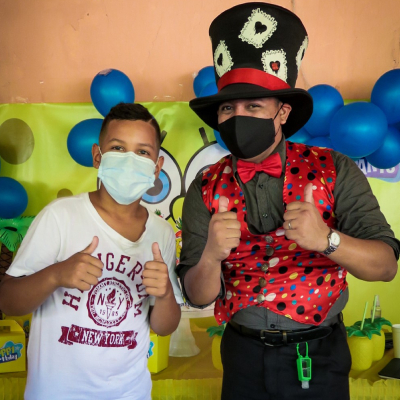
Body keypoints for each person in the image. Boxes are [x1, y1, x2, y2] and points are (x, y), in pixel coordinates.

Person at [176, 3, 399, 400]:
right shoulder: (205, 186)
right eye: (228, 107)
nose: (237, 116)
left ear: (283, 112)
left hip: (319, 355)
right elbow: (198, 295)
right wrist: (210, 255)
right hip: (242, 356)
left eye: (254, 106)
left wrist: (327, 239)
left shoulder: (334, 169)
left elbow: (384, 267)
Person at [0, 103, 183, 400]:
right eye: (118, 148)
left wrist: (163, 295)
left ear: (157, 167)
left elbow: (164, 327)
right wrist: (56, 275)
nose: (130, 160)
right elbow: (8, 301)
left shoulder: (160, 233)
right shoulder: (61, 216)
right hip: (56, 392)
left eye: (143, 152)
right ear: (98, 157)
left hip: (130, 392)